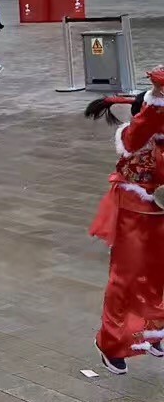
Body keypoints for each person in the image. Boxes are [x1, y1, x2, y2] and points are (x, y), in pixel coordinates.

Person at [85, 69, 164, 373]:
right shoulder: (138, 136)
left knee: (158, 273)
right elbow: (140, 132)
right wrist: (157, 99)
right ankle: (111, 341)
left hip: (160, 211)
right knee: (126, 277)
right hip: (134, 209)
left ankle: (155, 331)